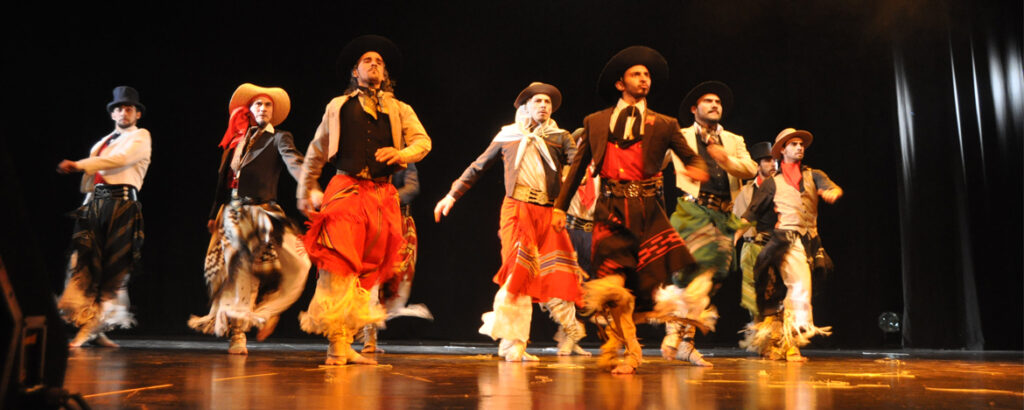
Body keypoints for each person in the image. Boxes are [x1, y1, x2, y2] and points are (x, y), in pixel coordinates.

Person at [551, 46, 709, 374]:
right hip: (610, 209)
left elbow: (690, 157)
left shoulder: (664, 124)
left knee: (642, 288)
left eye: (647, 75)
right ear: (620, 83)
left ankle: (628, 342)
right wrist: (558, 208)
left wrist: (699, 167)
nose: (644, 79)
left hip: (648, 211)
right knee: (611, 287)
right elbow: (578, 168)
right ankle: (632, 352)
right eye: (637, 74)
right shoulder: (595, 122)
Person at [297, 35, 431, 366]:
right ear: (355, 72)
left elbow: (423, 142)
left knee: (366, 271)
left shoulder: (400, 109)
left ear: (385, 74)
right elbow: (316, 150)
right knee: (339, 264)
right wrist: (305, 189)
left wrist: (401, 154)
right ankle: (336, 344)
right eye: (367, 61)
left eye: (380, 62)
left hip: (382, 197)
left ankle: (346, 342)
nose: (374, 64)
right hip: (345, 190)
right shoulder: (338, 106)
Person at [434, 82, 588, 360]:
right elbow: (477, 167)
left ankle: (549, 336)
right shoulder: (508, 135)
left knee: (556, 274)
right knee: (520, 269)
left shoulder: (560, 136)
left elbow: (576, 167)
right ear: (525, 106)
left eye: (548, 103)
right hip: (517, 209)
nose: (544, 105)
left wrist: (565, 201)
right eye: (538, 101)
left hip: (548, 211)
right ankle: (512, 343)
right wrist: (451, 196)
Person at [188, 83, 310, 355]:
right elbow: (224, 181)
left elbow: (294, 162)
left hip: (264, 213)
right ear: (250, 110)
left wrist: (308, 184)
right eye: (258, 104)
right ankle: (238, 333)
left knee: (299, 260)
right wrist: (213, 214)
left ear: (273, 111)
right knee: (239, 272)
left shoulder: (278, 137)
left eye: (268, 105)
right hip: (234, 214)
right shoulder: (236, 142)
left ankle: (267, 311)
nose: (263, 108)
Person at [662, 81, 757, 366]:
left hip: (724, 214)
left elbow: (751, 169)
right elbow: (654, 160)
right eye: (708, 101)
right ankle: (679, 336)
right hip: (693, 211)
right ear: (694, 109)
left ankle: (681, 335)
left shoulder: (734, 140)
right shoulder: (679, 135)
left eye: (718, 102)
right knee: (693, 270)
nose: (715, 105)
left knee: (716, 274)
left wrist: (724, 158)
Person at [56, 86, 152, 348]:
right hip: (96, 203)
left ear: (137, 114)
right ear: (112, 114)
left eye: (129, 108)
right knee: (84, 262)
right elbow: (95, 176)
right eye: (119, 108)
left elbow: (119, 160)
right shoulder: (104, 141)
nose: (123, 112)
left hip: (120, 204)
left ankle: (94, 325)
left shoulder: (141, 137)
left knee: (112, 267)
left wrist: (78, 165)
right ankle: (93, 325)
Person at [738, 128, 842, 361]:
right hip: (781, 241)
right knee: (790, 288)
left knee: (804, 285)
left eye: (801, 144)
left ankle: (788, 340)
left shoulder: (813, 175)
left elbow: (831, 186)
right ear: (782, 150)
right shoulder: (771, 183)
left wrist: (832, 192)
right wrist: (732, 236)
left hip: (809, 241)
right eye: (793, 144)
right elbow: (750, 214)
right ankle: (783, 339)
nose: (799, 148)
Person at [359, 163, 433, 354]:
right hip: (373, 223)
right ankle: (369, 338)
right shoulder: (368, 156)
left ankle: (375, 327)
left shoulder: (404, 160)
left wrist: (386, 200)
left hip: (399, 225)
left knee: (396, 281)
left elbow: (412, 187)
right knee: (371, 279)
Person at [731, 141, 775, 318]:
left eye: (774, 160)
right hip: (750, 245)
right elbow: (736, 217)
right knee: (752, 293)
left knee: (774, 290)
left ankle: (777, 336)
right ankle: (759, 333)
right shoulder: (745, 191)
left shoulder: (780, 187)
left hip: (774, 243)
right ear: (757, 165)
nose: (773, 164)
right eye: (767, 160)